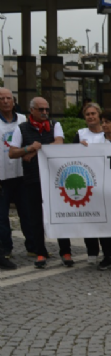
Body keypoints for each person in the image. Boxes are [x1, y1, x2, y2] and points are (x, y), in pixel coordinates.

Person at [8, 97, 73, 268]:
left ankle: (66, 251)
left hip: (55, 178)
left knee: (60, 214)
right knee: (35, 217)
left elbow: (59, 142)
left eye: (46, 109)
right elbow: (12, 152)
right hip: (32, 179)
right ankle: (40, 252)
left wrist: (36, 150)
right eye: (41, 109)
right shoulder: (21, 129)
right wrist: (27, 149)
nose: (45, 113)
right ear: (32, 111)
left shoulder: (54, 125)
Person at [83, 109, 111, 270]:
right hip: (102, 188)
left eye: (106, 122)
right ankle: (108, 254)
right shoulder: (97, 142)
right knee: (104, 223)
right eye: (102, 122)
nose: (103, 125)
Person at [0, 87, 30, 270]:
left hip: (22, 175)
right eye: (1, 98)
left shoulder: (23, 120)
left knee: (27, 214)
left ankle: (33, 246)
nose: (5, 101)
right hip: (2, 177)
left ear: (13, 100)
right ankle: (5, 249)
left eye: (8, 98)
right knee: (2, 217)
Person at [75, 102, 107, 264]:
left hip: (104, 182)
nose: (91, 117)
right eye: (87, 114)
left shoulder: (107, 134)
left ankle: (108, 251)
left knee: (104, 218)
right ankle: (92, 251)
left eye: (93, 114)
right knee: (88, 218)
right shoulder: (80, 134)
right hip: (86, 183)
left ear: (99, 115)